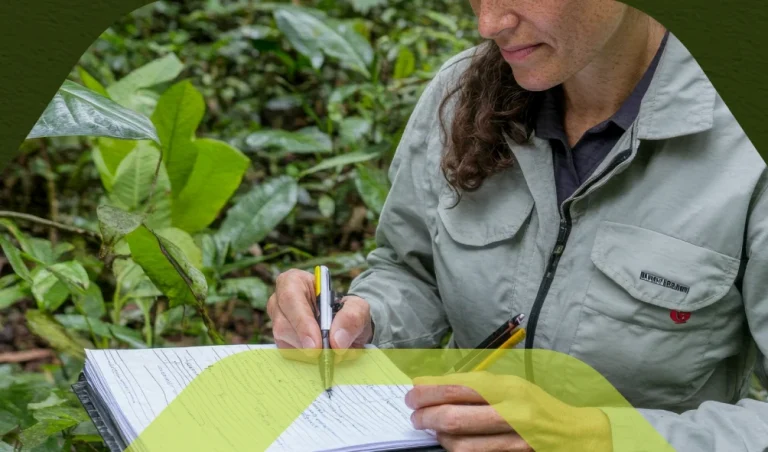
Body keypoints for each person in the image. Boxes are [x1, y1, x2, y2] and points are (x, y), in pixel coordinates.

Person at [267, 0, 768, 450]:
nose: (489, 22)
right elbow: (412, 269)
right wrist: (360, 320)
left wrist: (600, 437)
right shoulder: (462, 93)